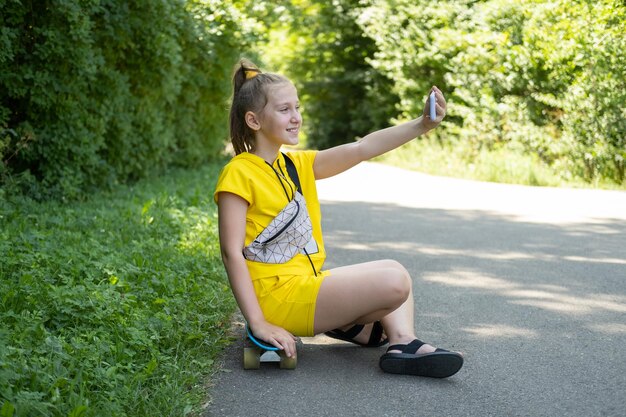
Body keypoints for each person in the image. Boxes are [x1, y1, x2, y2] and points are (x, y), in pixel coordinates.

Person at [214, 59, 463, 378]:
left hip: (305, 284)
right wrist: (259, 321)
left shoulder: (296, 164)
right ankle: (358, 326)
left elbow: (362, 148)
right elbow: (230, 253)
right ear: (254, 120)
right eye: (284, 109)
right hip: (278, 297)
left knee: (393, 269)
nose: (296, 117)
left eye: (297, 107)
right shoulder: (239, 172)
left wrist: (422, 125)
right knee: (395, 283)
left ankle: (402, 343)